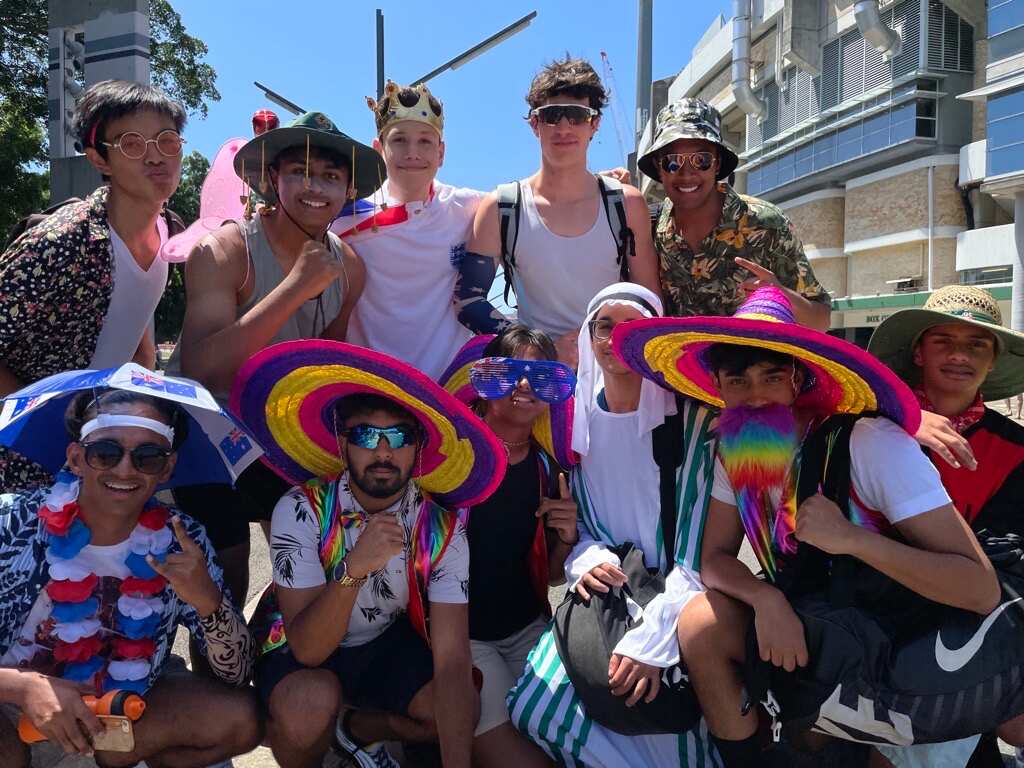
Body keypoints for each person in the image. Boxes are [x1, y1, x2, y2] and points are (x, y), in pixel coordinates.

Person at [612, 287, 1010, 766]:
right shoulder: (737, 449)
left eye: (772, 377)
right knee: (700, 621)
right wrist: (766, 600)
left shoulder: (868, 443)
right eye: (738, 381)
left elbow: (980, 588)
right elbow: (713, 558)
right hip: (817, 624)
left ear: (798, 379)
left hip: (900, 639)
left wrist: (851, 539)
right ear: (717, 385)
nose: (756, 396)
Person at [230, 340, 508, 768]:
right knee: (305, 708)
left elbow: (452, 659)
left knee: (457, 706)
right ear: (342, 444)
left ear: (418, 448)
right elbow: (307, 650)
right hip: (297, 639)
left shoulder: (441, 529)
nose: (382, 451)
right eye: (365, 435)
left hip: (381, 643)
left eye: (398, 436)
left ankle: (358, 730)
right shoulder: (301, 508)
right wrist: (354, 569)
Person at [170, 111, 384, 609]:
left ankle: (283, 668)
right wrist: (295, 288)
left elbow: (324, 364)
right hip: (207, 433)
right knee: (224, 582)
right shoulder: (223, 251)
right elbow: (202, 370)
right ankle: (220, 680)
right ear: (272, 179)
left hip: (282, 434)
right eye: (300, 173)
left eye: (331, 176)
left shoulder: (349, 267)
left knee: (306, 571)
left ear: (349, 189)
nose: (316, 188)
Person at [507, 283, 721, 766]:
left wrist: (655, 638)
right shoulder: (573, 424)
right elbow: (581, 522)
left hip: (677, 600)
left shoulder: (693, 424)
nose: (615, 338)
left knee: (660, 727)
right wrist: (587, 555)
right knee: (536, 709)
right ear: (589, 334)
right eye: (605, 325)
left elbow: (696, 550)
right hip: (608, 592)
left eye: (633, 326)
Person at [0, 387, 260, 767]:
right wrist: (21, 686)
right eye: (105, 453)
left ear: (167, 468)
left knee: (240, 718)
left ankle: (108, 758)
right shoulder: (11, 522)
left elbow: (238, 673)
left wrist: (208, 602)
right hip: (10, 708)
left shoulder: (181, 539)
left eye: (148, 457)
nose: (124, 469)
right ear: (76, 458)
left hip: (121, 707)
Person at [0, 80, 186, 491]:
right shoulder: (66, 238)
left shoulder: (169, 233)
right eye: (132, 144)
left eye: (167, 140)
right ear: (99, 159)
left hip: (99, 448)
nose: (155, 155)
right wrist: (42, 427)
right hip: (24, 460)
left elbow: (132, 317)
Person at [869, 284, 1024, 766]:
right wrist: (905, 418)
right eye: (945, 341)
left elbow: (1004, 563)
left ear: (993, 359)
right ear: (918, 350)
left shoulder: (1015, 448)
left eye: (977, 344)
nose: (961, 355)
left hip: (968, 630)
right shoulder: (867, 427)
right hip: (869, 627)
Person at [438, 326, 578, 767]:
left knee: (575, 742)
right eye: (510, 371)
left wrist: (567, 538)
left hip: (529, 631)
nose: (524, 386)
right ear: (485, 380)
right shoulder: (449, 460)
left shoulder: (548, 468)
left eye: (540, 376)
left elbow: (552, 575)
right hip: (464, 640)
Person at [466, 58, 662, 364]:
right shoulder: (502, 207)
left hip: (612, 376)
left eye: (577, 115)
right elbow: (469, 300)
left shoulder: (626, 204)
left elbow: (649, 301)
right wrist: (540, 349)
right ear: (535, 124)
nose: (564, 127)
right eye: (551, 116)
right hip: (536, 383)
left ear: (594, 123)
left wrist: (608, 343)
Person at [636, 97, 831, 330]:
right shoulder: (650, 228)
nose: (687, 173)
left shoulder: (766, 224)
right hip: (677, 365)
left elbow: (821, 320)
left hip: (750, 364)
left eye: (701, 160)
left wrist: (779, 293)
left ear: (717, 164)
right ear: (659, 168)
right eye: (673, 162)